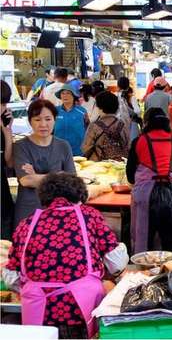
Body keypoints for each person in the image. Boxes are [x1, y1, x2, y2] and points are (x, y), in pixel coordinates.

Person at [2, 173, 128, 339]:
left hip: (38, 309)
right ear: (80, 197)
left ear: (44, 198)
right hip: (81, 307)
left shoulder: (26, 223)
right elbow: (116, 262)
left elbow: (11, 275)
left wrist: (37, 287)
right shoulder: (89, 215)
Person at [126, 108, 172, 253]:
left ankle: (143, 271)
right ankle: (170, 272)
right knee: (170, 241)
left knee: (144, 240)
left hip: (146, 195)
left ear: (147, 123)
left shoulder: (139, 141)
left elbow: (130, 176)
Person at [13, 100, 76, 227]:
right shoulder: (20, 146)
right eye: (37, 119)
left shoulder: (63, 146)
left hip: (58, 213)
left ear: (54, 120)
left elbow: (72, 181)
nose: (43, 124)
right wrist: (60, 176)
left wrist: (37, 176)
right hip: (28, 213)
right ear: (30, 121)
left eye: (48, 119)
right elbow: (26, 180)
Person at [81, 92, 129, 161]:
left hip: (100, 166)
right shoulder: (122, 124)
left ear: (100, 107)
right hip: (120, 164)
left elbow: (85, 148)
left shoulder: (94, 126)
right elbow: (128, 145)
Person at [53, 84, 88, 156]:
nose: (65, 96)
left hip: (78, 152)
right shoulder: (55, 111)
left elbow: (88, 128)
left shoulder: (82, 111)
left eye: (68, 93)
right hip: (58, 151)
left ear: (73, 96)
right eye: (63, 93)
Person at [1, 80, 14, 239]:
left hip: (3, 199)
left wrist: (7, 131)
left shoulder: (3, 127)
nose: (1, 109)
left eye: (3, 104)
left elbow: (9, 162)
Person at [116, 76, 141, 141]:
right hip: (132, 126)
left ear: (118, 86)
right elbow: (138, 111)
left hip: (119, 126)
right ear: (128, 86)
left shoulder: (115, 97)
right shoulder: (131, 97)